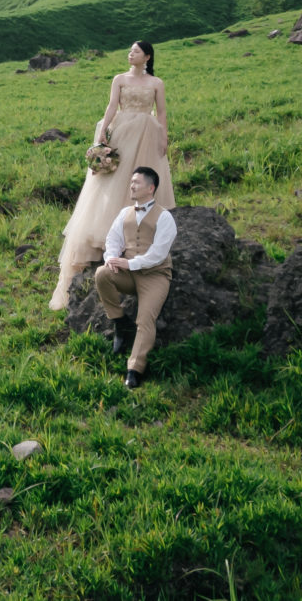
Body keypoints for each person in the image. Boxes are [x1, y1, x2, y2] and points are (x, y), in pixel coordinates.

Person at [48, 40, 172, 310]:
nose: (131, 54)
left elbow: (161, 112)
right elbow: (111, 106)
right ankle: (109, 233)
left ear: (147, 57)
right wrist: (104, 130)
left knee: (143, 176)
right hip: (123, 129)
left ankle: (142, 228)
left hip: (147, 132)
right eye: (129, 51)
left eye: (136, 51)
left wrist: (164, 136)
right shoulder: (119, 79)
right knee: (116, 178)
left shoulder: (156, 83)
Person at [96, 166, 176, 388]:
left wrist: (129, 263)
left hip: (155, 275)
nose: (131, 185)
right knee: (102, 273)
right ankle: (120, 323)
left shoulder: (165, 217)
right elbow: (113, 240)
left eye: (137, 182)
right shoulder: (124, 213)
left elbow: (158, 253)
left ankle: (134, 369)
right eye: (131, 182)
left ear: (151, 188)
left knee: (145, 320)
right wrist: (112, 258)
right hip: (129, 274)